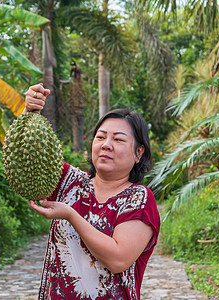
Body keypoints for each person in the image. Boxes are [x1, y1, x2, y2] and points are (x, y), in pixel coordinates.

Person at [23, 83, 160, 300]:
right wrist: (30, 111)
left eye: (118, 140)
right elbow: (28, 157)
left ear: (138, 153)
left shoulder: (138, 198)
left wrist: (70, 215)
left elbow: (118, 259)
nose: (106, 145)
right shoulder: (69, 181)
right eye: (100, 137)